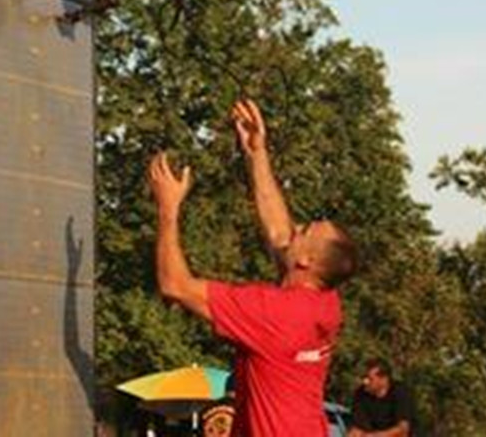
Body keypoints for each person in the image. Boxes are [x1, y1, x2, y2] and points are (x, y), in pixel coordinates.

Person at [147, 97, 358, 436]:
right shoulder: (326, 303)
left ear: (305, 261)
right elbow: (278, 232)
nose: (295, 228)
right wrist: (256, 153)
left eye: (303, 232)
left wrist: (168, 209)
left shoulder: (271, 313)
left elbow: (175, 284)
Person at [347, 358, 413, 437]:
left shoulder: (400, 393)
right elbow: (357, 427)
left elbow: (403, 429)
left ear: (384, 380)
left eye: (370, 379)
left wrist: (376, 436)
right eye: (364, 377)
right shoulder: (360, 394)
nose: (365, 382)